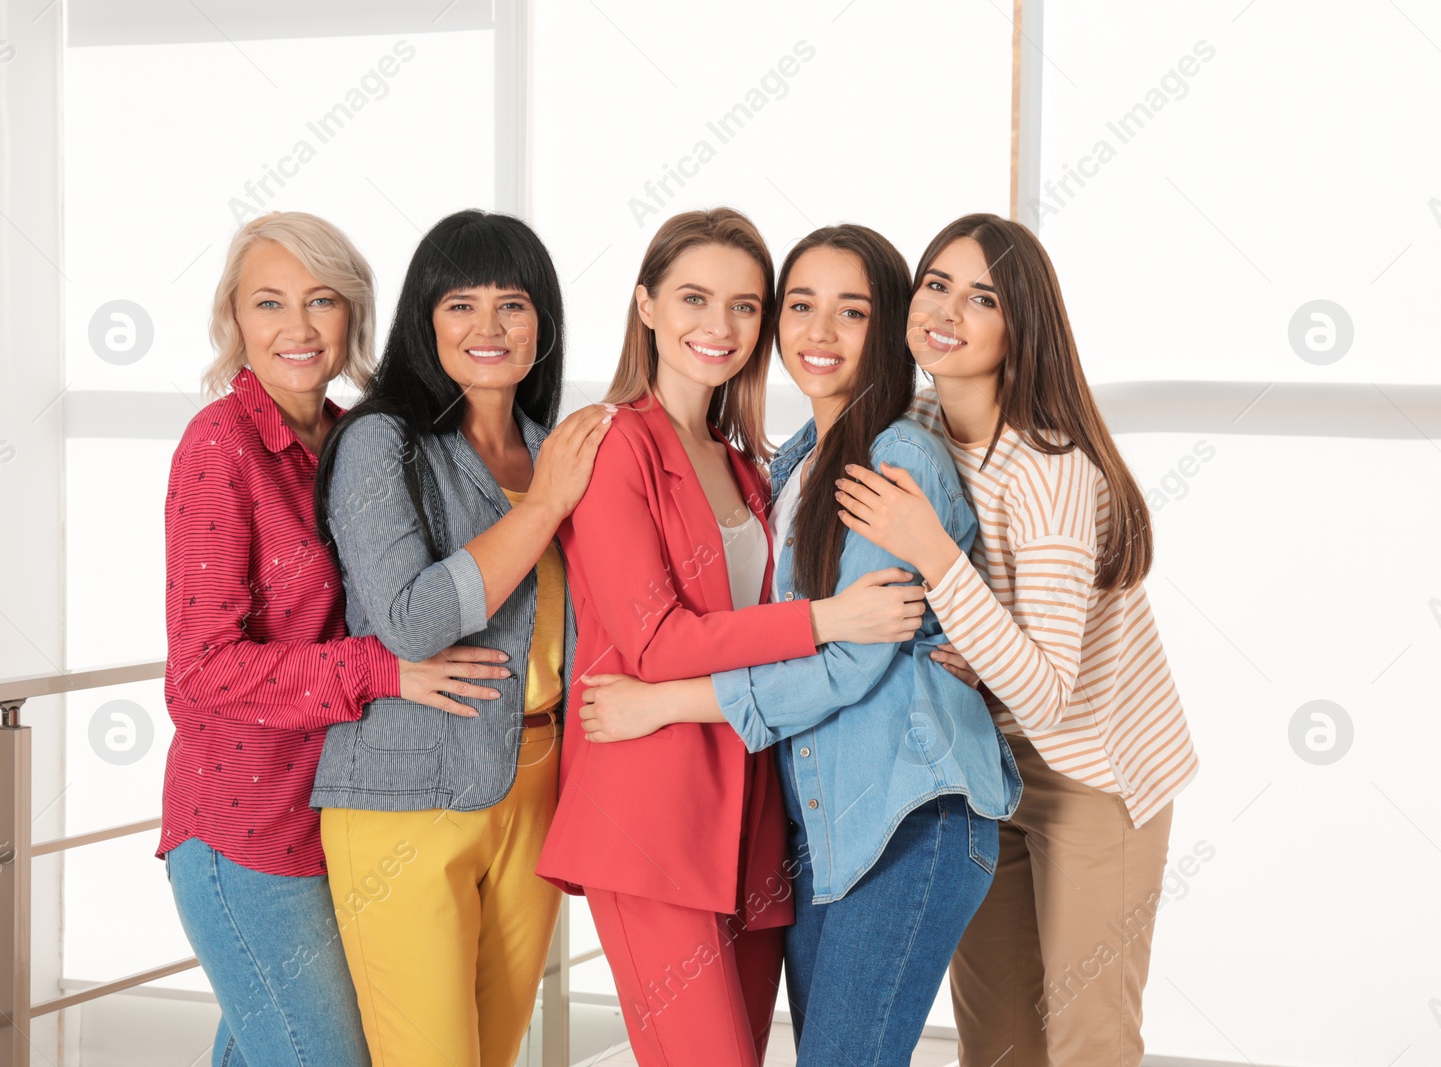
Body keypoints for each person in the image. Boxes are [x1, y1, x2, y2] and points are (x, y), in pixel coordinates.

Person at [575, 224, 1021, 1066]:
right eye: (800, 306)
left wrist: (665, 701)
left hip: (906, 814)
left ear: (886, 326)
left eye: (850, 312)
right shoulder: (791, 464)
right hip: (818, 821)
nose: (818, 333)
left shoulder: (895, 456)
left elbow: (854, 657)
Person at [836, 213, 1199, 1066]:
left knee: (1087, 1041)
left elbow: (1047, 692)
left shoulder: (1050, 470)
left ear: (1019, 324)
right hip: (983, 760)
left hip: (1095, 770)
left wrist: (932, 550)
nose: (947, 310)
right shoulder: (916, 426)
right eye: (936, 285)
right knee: (996, 1044)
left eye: (982, 297)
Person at [160, 211, 506, 1066]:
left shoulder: (357, 439)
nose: (299, 327)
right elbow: (200, 670)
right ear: (233, 321)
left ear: (353, 313)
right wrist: (383, 669)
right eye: (269, 303)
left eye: (321, 301)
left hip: (338, 817)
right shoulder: (220, 447)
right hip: (243, 834)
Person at [310, 209, 612, 1067]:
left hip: (539, 782)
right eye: (461, 305)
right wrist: (546, 506)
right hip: (407, 793)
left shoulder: (551, 448)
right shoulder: (382, 441)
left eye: (512, 305)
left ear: (542, 324)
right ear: (424, 319)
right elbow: (409, 618)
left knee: (492, 1053)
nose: (489, 327)